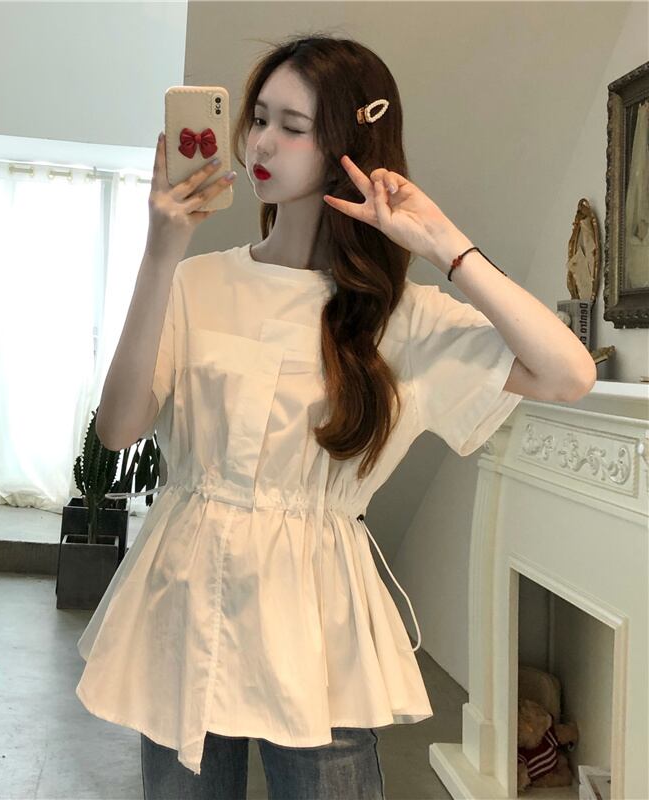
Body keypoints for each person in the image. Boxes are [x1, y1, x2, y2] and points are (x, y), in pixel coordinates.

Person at [76, 33, 596, 800]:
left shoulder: (401, 319)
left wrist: (446, 246)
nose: (261, 142)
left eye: (293, 126)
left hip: (316, 615)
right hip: (184, 596)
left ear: (346, 148)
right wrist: (160, 253)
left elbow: (570, 373)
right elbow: (119, 431)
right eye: (259, 118)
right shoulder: (195, 283)